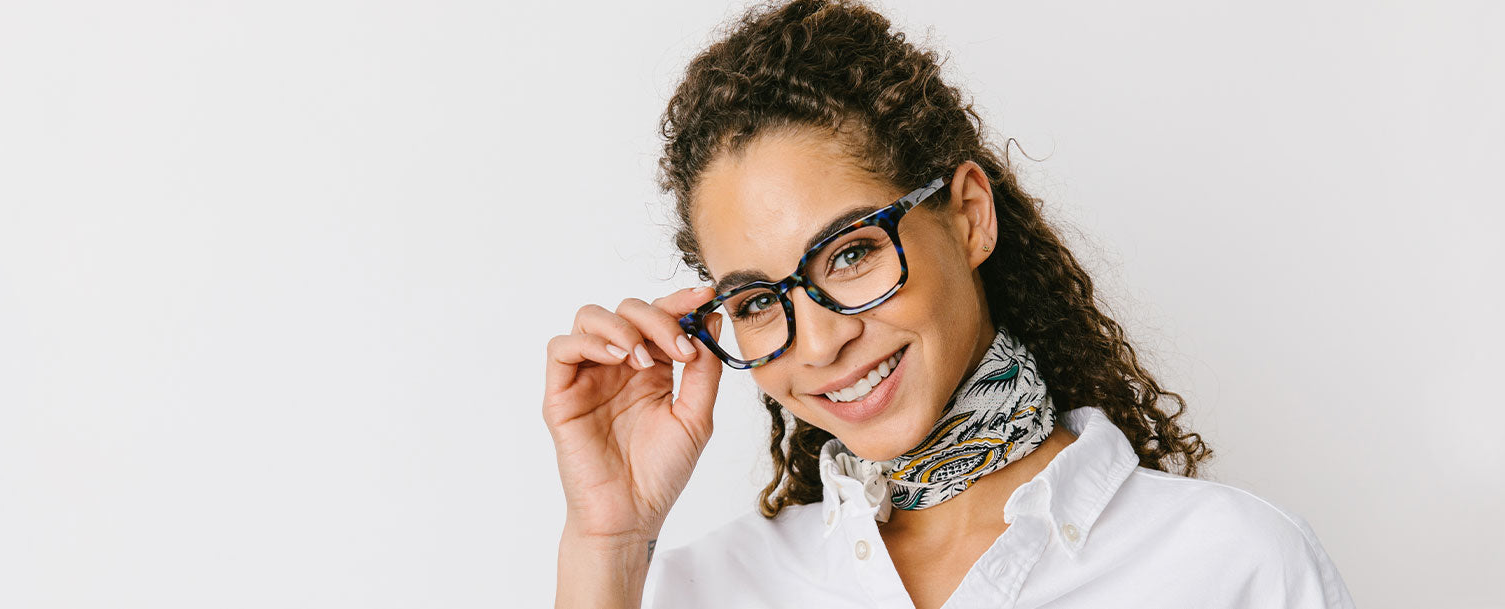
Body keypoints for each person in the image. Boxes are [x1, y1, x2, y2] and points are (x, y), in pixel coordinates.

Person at [540, 1, 1355, 607]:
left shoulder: (1234, 566)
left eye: (852, 251)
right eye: (758, 300)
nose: (819, 342)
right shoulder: (704, 588)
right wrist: (606, 540)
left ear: (969, 214)